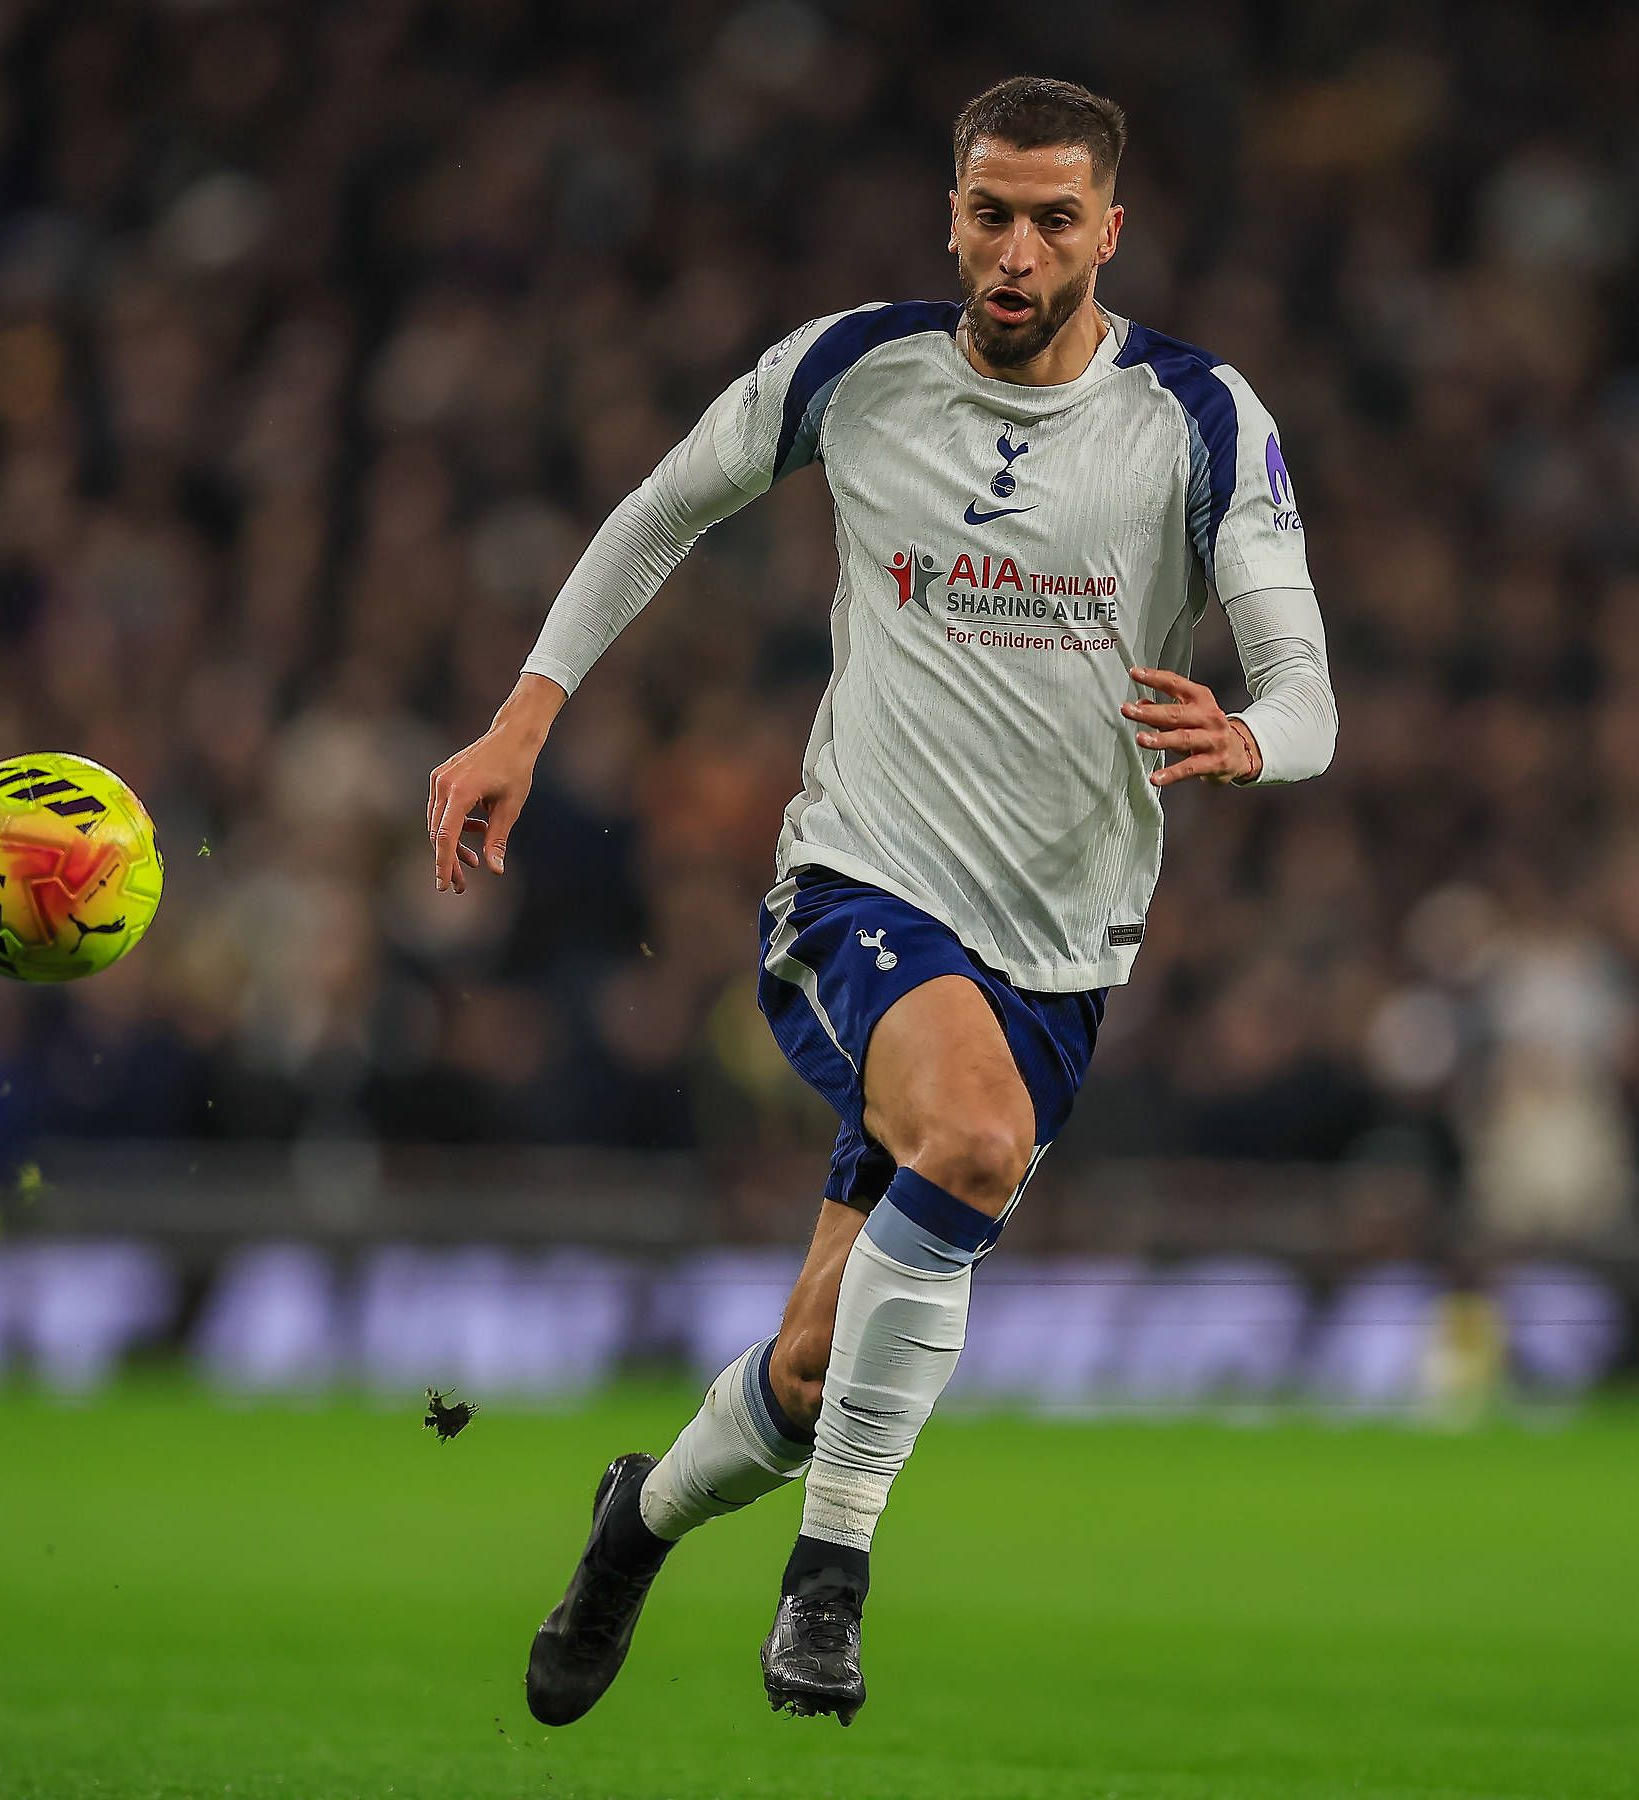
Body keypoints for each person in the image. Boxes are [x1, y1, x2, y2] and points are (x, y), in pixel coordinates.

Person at [426, 74, 1336, 1727]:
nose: (1016, 247)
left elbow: (1309, 687)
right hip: (858, 882)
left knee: (808, 1367)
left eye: (1055, 218)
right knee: (974, 1142)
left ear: (1108, 233)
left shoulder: (1196, 419)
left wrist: (1255, 737)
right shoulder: (854, 369)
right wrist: (524, 716)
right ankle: (829, 1581)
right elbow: (660, 509)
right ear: (952, 215)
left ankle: (633, 1524)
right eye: (990, 211)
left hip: (1059, 950)